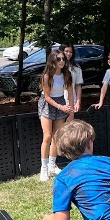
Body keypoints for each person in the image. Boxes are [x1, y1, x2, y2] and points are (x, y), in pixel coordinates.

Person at [37, 50, 74, 182]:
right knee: (47, 136)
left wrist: (71, 112)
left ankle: (52, 165)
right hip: (48, 104)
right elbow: (47, 97)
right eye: (58, 59)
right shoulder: (47, 76)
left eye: (63, 59)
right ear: (53, 60)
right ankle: (44, 168)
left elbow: (70, 93)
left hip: (61, 103)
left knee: (56, 137)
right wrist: (61, 107)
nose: (62, 61)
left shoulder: (67, 74)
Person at [61, 43, 84, 112]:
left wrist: (78, 102)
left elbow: (78, 86)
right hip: (58, 101)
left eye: (71, 52)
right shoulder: (57, 67)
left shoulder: (76, 68)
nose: (68, 54)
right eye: (66, 51)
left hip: (71, 101)